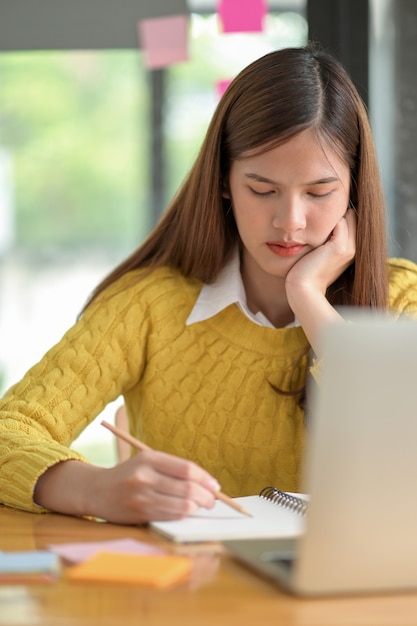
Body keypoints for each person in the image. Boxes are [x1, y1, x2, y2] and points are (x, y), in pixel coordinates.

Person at [1, 44, 417, 526]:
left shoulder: (402, 298)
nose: (290, 222)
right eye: (262, 190)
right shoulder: (149, 304)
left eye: (319, 192)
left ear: (352, 188)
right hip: (190, 593)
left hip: (359, 596)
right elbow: (11, 432)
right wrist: (96, 488)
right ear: (223, 181)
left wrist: (309, 300)